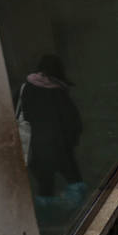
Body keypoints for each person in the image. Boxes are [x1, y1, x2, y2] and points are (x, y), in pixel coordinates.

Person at [20, 54, 85, 208]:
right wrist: (72, 142)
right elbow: (73, 122)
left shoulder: (23, 89)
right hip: (59, 148)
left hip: (34, 150)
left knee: (45, 186)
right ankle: (77, 214)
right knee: (75, 182)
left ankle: (46, 213)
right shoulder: (58, 92)